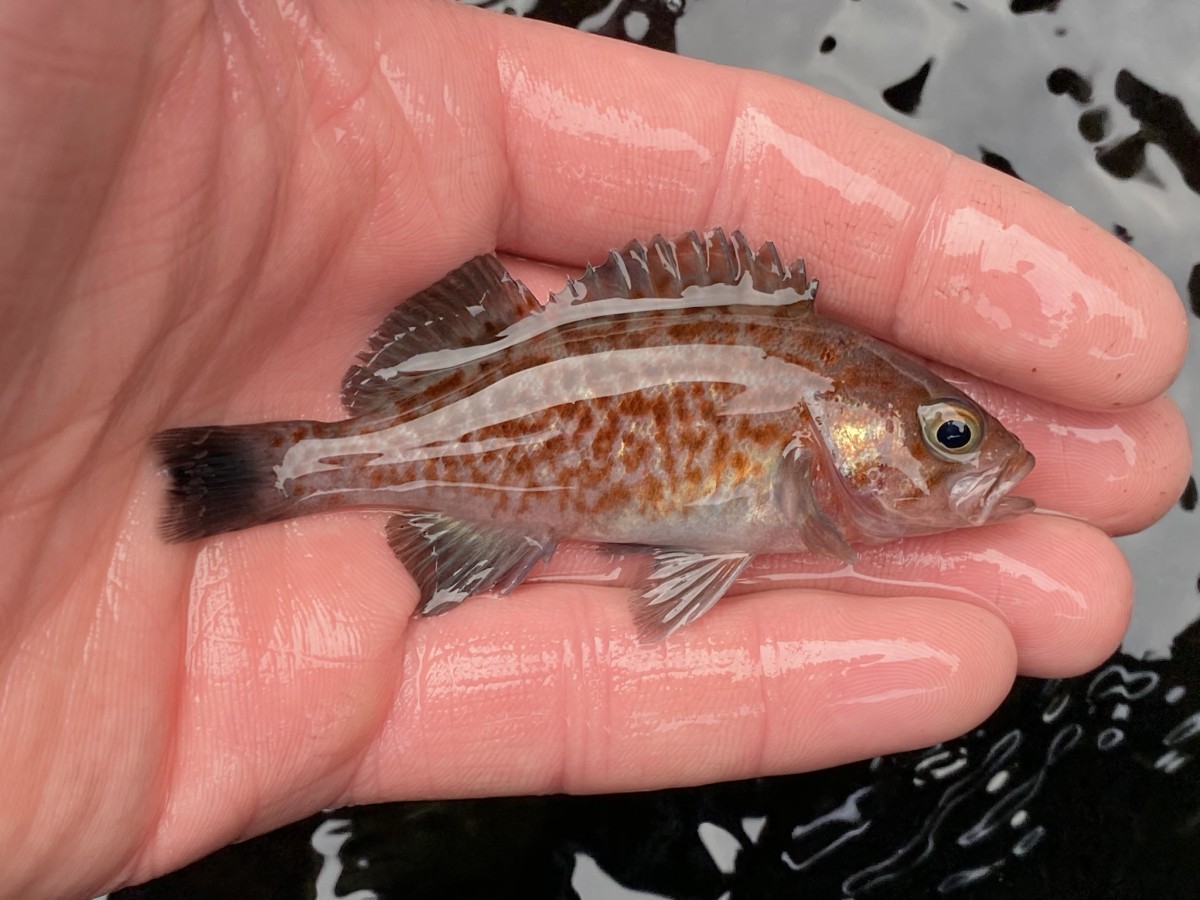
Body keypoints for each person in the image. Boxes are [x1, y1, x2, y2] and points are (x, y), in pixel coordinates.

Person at [0, 1, 1189, 896]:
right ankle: (285, 468)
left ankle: (282, 468)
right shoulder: (800, 421)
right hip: (442, 418)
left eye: (954, 437)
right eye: (946, 433)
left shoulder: (812, 415)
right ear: (844, 430)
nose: (974, 461)